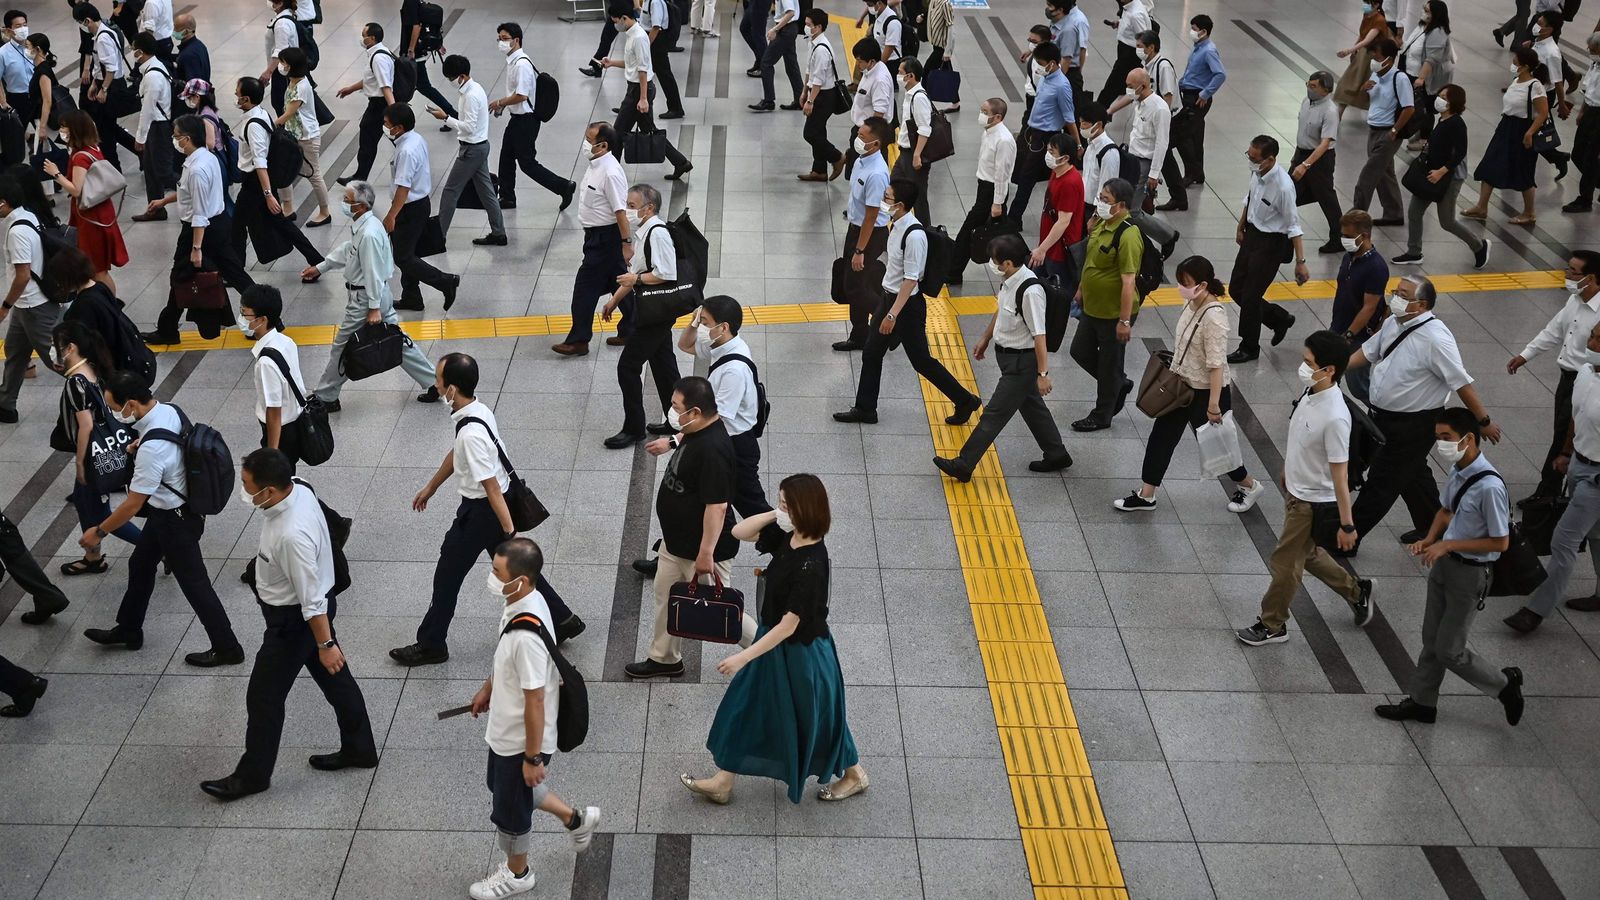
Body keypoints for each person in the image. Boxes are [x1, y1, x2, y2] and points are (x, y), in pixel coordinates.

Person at [199, 449, 378, 802]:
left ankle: (252, 776)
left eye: (249, 485)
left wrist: (325, 645)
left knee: (263, 697)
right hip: (307, 616)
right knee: (337, 681)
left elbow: (310, 599)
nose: (244, 490)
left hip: (294, 623)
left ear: (270, 491)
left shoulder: (291, 535)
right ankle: (360, 748)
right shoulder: (300, 486)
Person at [681, 475, 870, 805]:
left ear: (804, 510)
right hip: (774, 644)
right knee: (745, 706)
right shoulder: (789, 535)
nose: (780, 508)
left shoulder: (812, 563)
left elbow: (789, 625)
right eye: (780, 502)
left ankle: (854, 773)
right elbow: (740, 532)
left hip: (802, 655)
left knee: (816, 719)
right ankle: (724, 780)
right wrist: (774, 515)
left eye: (785, 504)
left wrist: (744, 657)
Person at [390, 354, 584, 668]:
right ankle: (562, 619)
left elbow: (490, 486)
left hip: (482, 512)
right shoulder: (476, 411)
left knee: (447, 576)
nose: (435, 385)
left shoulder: (471, 434)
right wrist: (432, 486)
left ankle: (431, 644)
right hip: (492, 507)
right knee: (518, 569)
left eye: (439, 380)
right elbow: (458, 454)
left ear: (452, 389)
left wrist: (509, 532)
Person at [80, 370, 245, 667]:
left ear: (131, 404)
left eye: (115, 408)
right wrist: (138, 446)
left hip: (175, 521)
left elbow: (131, 505)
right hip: (169, 511)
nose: (115, 414)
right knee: (140, 564)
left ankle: (228, 646)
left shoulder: (152, 450)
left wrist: (99, 532)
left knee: (195, 584)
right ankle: (129, 629)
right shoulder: (168, 410)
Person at [465, 538, 601, 900]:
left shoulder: (526, 635)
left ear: (520, 580)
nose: (491, 577)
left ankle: (517, 873)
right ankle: (575, 818)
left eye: (497, 571)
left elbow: (536, 700)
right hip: (507, 730)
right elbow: (505, 660)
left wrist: (532, 757)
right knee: (506, 788)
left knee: (510, 810)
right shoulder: (527, 601)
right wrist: (488, 687)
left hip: (519, 739)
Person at [1375, 408, 1525, 727]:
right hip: (1445, 565)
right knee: (1431, 638)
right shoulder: (1459, 469)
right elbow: (1445, 510)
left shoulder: (1490, 487)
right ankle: (1422, 702)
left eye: (1447, 438)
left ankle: (1504, 684)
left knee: (1449, 650)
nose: (1441, 444)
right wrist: (1430, 539)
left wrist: (1448, 544)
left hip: (1470, 575)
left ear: (1468, 439)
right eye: (1438, 438)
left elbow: (1500, 542)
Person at [1343, 275, 1503, 552]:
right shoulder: (1394, 322)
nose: (1395, 297)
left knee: (1382, 482)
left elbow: (1461, 382)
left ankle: (1347, 540)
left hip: (1413, 423)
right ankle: (1433, 526)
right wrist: (1335, 368)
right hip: (1382, 417)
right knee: (1413, 474)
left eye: (1404, 295)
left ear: (1422, 305)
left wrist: (1483, 421)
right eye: (1395, 291)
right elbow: (1369, 352)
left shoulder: (1436, 339)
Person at [1237, 331, 1375, 646]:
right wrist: (1289, 469)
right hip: (1297, 492)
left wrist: (1347, 524)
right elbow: (1301, 437)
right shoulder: (1311, 390)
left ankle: (1273, 624)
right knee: (1309, 554)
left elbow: (1340, 477)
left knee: (1285, 563)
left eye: (1308, 362)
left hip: (1311, 503)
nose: (1302, 366)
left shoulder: (1336, 417)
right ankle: (1357, 591)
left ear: (1330, 370)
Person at [1112, 255, 1265, 512]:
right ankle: (1147, 494)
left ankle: (1249, 485)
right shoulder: (1192, 302)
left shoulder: (1214, 317)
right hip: (1182, 387)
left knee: (1216, 448)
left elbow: (1216, 365)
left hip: (1207, 393)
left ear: (1203, 284)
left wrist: (1214, 405)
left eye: (1186, 282)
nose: (1181, 287)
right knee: (1161, 437)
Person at [835, 179, 982, 426]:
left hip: (906, 308)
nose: (883, 201)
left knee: (922, 361)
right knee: (871, 353)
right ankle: (866, 408)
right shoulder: (897, 225)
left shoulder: (914, 236)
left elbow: (911, 280)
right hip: (889, 299)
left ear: (901, 204)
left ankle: (965, 399)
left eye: (887, 197)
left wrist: (892, 315)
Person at [625, 376, 740, 679]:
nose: (671, 411)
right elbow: (687, 437)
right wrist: (672, 441)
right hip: (676, 543)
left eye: (676, 406)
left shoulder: (714, 450)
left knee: (723, 607)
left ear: (696, 412)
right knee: (664, 594)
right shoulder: (696, 430)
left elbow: (717, 507)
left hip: (702, 550)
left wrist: (706, 554)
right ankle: (664, 659)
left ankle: (768, 649)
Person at [933, 234, 1071, 482]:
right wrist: (986, 338)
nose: (992, 265)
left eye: (995, 261)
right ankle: (1057, 453)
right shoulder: (1010, 282)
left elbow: (1040, 336)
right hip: (1009, 359)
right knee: (1032, 407)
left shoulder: (1031, 291)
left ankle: (965, 464)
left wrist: (1043, 375)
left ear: (1008, 263)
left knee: (994, 414)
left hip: (1021, 363)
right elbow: (1002, 311)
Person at [302, 181, 440, 410]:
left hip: (366, 299)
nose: (344, 204)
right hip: (376, 296)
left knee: (342, 344)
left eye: (347, 200)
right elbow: (349, 251)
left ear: (361, 206)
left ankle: (326, 396)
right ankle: (434, 382)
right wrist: (322, 267)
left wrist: (374, 308)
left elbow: (373, 272)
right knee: (397, 341)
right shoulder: (366, 226)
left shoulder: (369, 234)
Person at [662, 296, 771, 515]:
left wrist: (675, 441)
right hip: (724, 439)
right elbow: (685, 345)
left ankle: (783, 542)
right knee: (714, 499)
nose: (701, 327)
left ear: (723, 327)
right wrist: (692, 323)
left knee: (752, 506)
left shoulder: (734, 370)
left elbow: (717, 417)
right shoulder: (722, 344)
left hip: (736, 444)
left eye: (704, 322)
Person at [1507, 252, 1600, 506]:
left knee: (1564, 433)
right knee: (1563, 431)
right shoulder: (1574, 299)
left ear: (1591, 278)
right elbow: (1553, 330)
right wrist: (1525, 355)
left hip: (1590, 382)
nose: (1567, 275)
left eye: (1572, 271)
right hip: (1568, 378)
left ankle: (1548, 491)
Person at [52, 319, 142, 576]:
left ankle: (157, 547)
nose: (52, 349)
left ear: (70, 348)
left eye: (56, 345)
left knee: (103, 516)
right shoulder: (94, 371)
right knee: (83, 502)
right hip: (108, 448)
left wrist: (80, 463)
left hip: (93, 456)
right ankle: (93, 557)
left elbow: (86, 426)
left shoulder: (75, 384)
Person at [600, 183, 683, 448]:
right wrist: (613, 302)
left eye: (632, 206)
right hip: (652, 309)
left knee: (627, 367)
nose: (627, 210)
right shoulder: (644, 231)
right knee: (663, 364)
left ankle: (634, 427)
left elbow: (666, 273)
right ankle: (677, 421)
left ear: (650, 208)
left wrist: (635, 279)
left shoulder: (656, 234)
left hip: (655, 314)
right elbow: (635, 274)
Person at [1227, 135, 1311, 364]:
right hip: (1252, 236)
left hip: (1271, 244)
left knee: (1251, 296)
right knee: (1236, 289)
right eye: (1249, 155)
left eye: (1255, 158)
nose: (1251, 161)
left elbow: (1294, 226)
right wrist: (1241, 224)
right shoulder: (1258, 172)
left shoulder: (1284, 187)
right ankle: (1279, 318)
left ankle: (1249, 346)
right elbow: (1250, 198)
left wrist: (1301, 262)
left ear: (1270, 159)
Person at [1068, 177, 1139, 432]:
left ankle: (1101, 415)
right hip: (1092, 306)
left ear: (1120, 205)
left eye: (1105, 200)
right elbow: (1090, 260)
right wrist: (1081, 288)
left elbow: (1128, 281)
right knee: (1079, 351)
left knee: (1109, 363)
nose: (1100, 203)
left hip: (1112, 313)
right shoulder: (1101, 224)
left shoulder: (1128, 235)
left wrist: (1124, 320)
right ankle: (1118, 383)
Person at [554, 124, 632, 356]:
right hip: (595, 237)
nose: (585, 144)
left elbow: (620, 212)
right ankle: (633, 328)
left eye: (589, 140)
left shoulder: (610, 172)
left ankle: (579, 340)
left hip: (606, 239)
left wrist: (626, 244)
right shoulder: (596, 165)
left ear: (603, 145)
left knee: (584, 289)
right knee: (620, 283)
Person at [231, 76, 324, 269]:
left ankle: (235, 269)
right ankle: (316, 259)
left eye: (237, 93)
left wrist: (268, 194)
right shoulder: (261, 113)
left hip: (255, 183)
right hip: (259, 182)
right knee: (280, 223)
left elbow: (259, 162)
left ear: (246, 99)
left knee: (238, 225)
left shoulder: (254, 125)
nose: (235, 95)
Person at [1395, 85, 1490, 268]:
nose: (1440, 99)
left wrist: (1441, 171)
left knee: (1447, 221)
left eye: (1445, 97)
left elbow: (1460, 153)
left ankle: (1479, 246)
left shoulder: (1457, 124)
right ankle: (1414, 252)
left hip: (1448, 178)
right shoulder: (1443, 119)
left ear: (1454, 102)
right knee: (1414, 212)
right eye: (1439, 95)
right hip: (1431, 175)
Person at [381, 103, 460, 311]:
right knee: (409, 251)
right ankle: (412, 297)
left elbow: (403, 188)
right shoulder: (415, 139)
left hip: (410, 208)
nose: (385, 126)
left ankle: (445, 281)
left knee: (403, 257)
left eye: (387, 124)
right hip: (418, 205)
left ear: (398, 127)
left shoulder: (406, 150)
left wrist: (391, 215)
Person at [490, 23, 576, 212]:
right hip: (517, 119)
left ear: (516, 40)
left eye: (504, 39)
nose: (501, 42)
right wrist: (505, 106)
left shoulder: (521, 64)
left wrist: (500, 102)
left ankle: (563, 186)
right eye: (499, 39)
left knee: (527, 164)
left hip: (526, 121)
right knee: (506, 158)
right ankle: (507, 197)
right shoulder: (514, 61)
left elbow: (522, 96)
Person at [602, 2, 693, 179]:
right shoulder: (631, 34)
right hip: (636, 89)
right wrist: (612, 63)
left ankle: (611, 174)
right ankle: (681, 163)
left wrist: (643, 98)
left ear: (624, 18)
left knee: (618, 132)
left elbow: (643, 69)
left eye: (616, 21)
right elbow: (633, 64)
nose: (615, 25)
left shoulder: (638, 38)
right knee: (648, 130)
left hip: (638, 91)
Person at [41, 110, 127, 294]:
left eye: (65, 126)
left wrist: (55, 174)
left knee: (97, 270)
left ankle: (109, 304)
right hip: (102, 209)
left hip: (91, 217)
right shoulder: (93, 148)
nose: (62, 130)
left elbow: (75, 189)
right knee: (99, 268)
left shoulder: (80, 157)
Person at [1463, 47, 1547, 226]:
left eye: (1515, 62)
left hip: (1523, 130)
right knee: (1489, 164)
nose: (1512, 64)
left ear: (1524, 66)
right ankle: (1481, 206)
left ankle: (1529, 212)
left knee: (1523, 170)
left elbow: (1543, 113)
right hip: (1506, 127)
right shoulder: (1516, 80)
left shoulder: (1535, 86)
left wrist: (1530, 133)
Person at [433, 54, 506, 245]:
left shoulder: (471, 96)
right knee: (486, 192)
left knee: (450, 191)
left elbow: (470, 127)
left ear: (462, 76)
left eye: (451, 78)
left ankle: (438, 236)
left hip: (471, 151)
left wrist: (445, 118)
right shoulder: (474, 88)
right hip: (480, 147)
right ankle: (499, 233)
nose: (450, 81)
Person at [0, 177, 56, 426]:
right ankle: (6, 405)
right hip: (25, 306)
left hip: (34, 306)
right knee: (15, 353)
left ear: (3, 203)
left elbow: (22, 276)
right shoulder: (28, 217)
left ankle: (99, 395)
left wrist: (5, 306)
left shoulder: (18, 231)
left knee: (57, 360)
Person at [836, 116, 893, 351]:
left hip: (870, 235)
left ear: (876, 144)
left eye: (862, 137)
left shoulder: (877, 173)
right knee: (855, 285)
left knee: (855, 287)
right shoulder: (861, 159)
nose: (857, 139)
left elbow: (871, 216)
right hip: (856, 230)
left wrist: (860, 250)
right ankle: (859, 334)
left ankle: (890, 320)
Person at [237, 285, 307, 468]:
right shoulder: (286, 341)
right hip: (295, 423)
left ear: (262, 319)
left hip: (281, 432)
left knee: (280, 480)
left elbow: (274, 410)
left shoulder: (266, 363)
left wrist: (272, 454)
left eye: (245, 314)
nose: (242, 319)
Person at [948, 97, 1014, 285]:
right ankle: (1018, 264)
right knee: (1003, 233)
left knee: (967, 231)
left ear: (998, 116)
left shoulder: (1004, 140)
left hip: (992, 191)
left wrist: (997, 202)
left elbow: (1002, 174)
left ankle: (953, 272)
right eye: (982, 110)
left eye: (986, 112)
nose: (981, 115)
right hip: (984, 188)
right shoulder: (988, 132)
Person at [1009, 40, 1076, 222]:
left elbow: (1069, 117)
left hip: (1046, 136)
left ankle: (1014, 218)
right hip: (1033, 132)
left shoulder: (1062, 86)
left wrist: (1077, 143)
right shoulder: (1046, 78)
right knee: (1024, 174)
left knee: (1027, 178)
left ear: (1052, 63)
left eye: (1040, 62)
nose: (1037, 66)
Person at [52, 247, 144, 379]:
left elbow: (82, 347)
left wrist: (62, 359)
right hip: (128, 359)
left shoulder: (82, 307)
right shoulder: (100, 287)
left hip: (111, 370)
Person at [1350, 37, 1412, 226]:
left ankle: (1356, 218)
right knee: (1385, 174)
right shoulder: (1375, 75)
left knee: (1367, 177)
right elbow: (1368, 100)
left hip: (1388, 134)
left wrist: (1394, 130)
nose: (1373, 59)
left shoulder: (1399, 78)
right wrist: (1363, 89)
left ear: (1389, 59)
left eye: (1376, 55)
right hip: (1373, 130)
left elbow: (1409, 108)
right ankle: (1394, 213)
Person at [1162, 15, 1225, 198]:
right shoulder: (1199, 47)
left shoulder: (1209, 50)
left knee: (1183, 135)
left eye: (1195, 28)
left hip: (1197, 98)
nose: (1192, 31)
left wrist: (1205, 93)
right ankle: (1198, 173)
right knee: (1196, 135)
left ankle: (1191, 172)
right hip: (1188, 94)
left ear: (1204, 31)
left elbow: (1220, 74)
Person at [1119, 66, 1178, 259]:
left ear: (1143, 86)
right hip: (1132, 159)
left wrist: (1154, 173)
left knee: (1134, 211)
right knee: (1127, 206)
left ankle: (1167, 236)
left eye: (1130, 86)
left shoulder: (1159, 109)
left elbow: (1162, 143)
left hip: (1145, 164)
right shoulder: (1140, 102)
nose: (1127, 89)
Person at [1329, 210, 1387, 403]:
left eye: (1348, 236)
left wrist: (1348, 335)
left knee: (1358, 386)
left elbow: (1369, 307)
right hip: (1338, 327)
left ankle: (1381, 412)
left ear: (1365, 236)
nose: (1344, 240)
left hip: (1357, 336)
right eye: (1342, 235)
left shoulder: (1376, 267)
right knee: (1328, 376)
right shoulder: (1349, 257)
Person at [72, 3, 136, 170]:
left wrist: (104, 89)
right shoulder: (100, 34)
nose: (81, 27)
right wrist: (94, 82)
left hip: (111, 86)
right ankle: (138, 151)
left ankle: (115, 170)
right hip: (104, 82)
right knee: (108, 128)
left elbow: (111, 68)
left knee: (106, 134)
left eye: (80, 22)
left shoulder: (103, 38)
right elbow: (99, 64)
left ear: (87, 20)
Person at [334, 23, 397, 185]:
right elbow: (372, 80)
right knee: (386, 139)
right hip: (379, 104)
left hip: (380, 106)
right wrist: (351, 89)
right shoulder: (380, 52)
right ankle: (360, 176)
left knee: (369, 141)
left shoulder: (378, 58)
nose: (362, 39)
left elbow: (385, 86)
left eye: (364, 36)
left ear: (372, 38)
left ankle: (360, 178)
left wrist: (394, 111)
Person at [273, 47, 329, 227]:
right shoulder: (293, 81)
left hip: (307, 137)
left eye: (282, 63)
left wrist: (271, 124)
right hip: (293, 135)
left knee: (314, 174)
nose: (280, 65)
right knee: (283, 170)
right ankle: (288, 208)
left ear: (291, 65)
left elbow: (289, 112)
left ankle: (325, 212)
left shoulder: (301, 86)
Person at [1289, 71, 1344, 252]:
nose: (1309, 89)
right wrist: (1297, 158)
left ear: (1325, 90)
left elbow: (1325, 143)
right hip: (1301, 153)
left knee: (1326, 198)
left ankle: (1338, 238)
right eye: (1308, 84)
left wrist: (1305, 165)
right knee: (1288, 194)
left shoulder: (1330, 111)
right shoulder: (1306, 102)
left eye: (1313, 86)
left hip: (1320, 159)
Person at [125, 32, 175, 214]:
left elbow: (148, 109)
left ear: (141, 51)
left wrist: (140, 137)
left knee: (164, 171)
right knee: (151, 170)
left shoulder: (152, 76)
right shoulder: (152, 68)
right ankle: (155, 210)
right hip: (156, 125)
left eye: (133, 49)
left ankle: (192, 192)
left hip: (158, 127)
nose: (132, 52)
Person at [797, 9, 844, 182]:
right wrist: (804, 92)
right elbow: (809, 70)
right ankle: (819, 170)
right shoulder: (813, 42)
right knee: (819, 131)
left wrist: (810, 100)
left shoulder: (822, 49)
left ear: (818, 27)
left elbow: (819, 79)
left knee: (810, 133)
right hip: (815, 92)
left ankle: (837, 157)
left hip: (824, 96)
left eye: (809, 25)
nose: (806, 27)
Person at [1032, 130, 1083, 288]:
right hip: (1049, 244)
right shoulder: (1057, 172)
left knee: (1057, 291)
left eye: (1051, 152)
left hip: (1059, 249)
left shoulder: (1070, 183)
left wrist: (1042, 249)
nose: (1048, 155)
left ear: (1065, 158)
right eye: (1048, 150)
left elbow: (1063, 222)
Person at [1400, 0, 1452, 146]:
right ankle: (1419, 130)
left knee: (1426, 108)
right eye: (1424, 9)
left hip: (1425, 78)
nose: (1424, 12)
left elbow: (1431, 59)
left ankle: (1424, 139)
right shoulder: (1423, 26)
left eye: (1427, 10)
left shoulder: (1437, 32)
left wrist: (1421, 78)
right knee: (1418, 106)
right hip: (1412, 71)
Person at [890, 58, 935, 222]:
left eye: (900, 73)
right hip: (904, 154)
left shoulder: (919, 97)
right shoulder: (910, 95)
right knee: (894, 187)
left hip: (913, 155)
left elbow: (925, 128)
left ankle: (926, 233)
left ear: (910, 76)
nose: (898, 76)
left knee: (918, 198)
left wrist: (917, 155)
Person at [401, 0, 458, 126]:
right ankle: (452, 115)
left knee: (422, 87)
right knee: (412, 87)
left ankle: (453, 115)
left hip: (413, 54)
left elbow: (417, 26)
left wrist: (410, 49)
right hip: (418, 52)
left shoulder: (410, 2)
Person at [843, 36, 892, 179]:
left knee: (868, 175)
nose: (857, 64)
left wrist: (867, 138)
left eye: (859, 61)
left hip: (871, 135)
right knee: (855, 173)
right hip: (862, 130)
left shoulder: (879, 79)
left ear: (871, 61)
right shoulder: (870, 70)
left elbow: (879, 113)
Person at [1333, 0, 1392, 115]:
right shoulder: (1367, 15)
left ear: (1376, 5)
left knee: (1365, 85)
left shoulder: (1379, 20)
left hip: (1372, 57)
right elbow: (1362, 35)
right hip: (1363, 54)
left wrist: (1350, 50)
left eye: (1368, 3)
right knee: (1350, 82)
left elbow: (1368, 40)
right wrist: (1355, 49)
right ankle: (1339, 112)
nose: (1365, 5)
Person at [1565, 31, 1600, 213]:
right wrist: (1582, 111)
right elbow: (1587, 89)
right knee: (1578, 153)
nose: (1589, 51)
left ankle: (1585, 199)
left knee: (1591, 157)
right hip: (1590, 112)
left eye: (1593, 49)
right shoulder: (1595, 64)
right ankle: (1596, 181)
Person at [1097, 0, 1150, 107]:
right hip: (1124, 51)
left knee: (1112, 85)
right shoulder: (1129, 6)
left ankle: (1098, 113)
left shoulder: (1135, 14)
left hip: (1129, 55)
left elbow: (1144, 38)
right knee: (1121, 84)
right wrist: (1121, 23)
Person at [639, 0, 685, 119]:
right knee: (638, 72)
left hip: (656, 41)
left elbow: (656, 27)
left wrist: (646, 45)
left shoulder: (655, 2)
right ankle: (631, 105)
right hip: (650, 38)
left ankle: (676, 108)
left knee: (664, 75)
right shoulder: (647, 1)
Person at [751, 0, 800, 111]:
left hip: (785, 29)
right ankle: (799, 99)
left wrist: (775, 29)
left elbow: (790, 12)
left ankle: (768, 101)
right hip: (789, 28)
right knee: (791, 65)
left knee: (766, 63)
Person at [1078, 100, 1117, 225]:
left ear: (1098, 124)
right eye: (1080, 123)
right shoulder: (1090, 146)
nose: (1082, 127)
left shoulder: (1109, 152)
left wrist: (1095, 216)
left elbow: (1107, 189)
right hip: (1084, 205)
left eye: (1085, 123)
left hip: (1095, 210)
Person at [261, 0, 297, 114]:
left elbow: (281, 51)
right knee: (280, 102)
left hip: (283, 71)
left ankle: (284, 129)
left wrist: (268, 71)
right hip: (284, 68)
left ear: (280, 3)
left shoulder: (281, 24)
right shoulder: (285, 17)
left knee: (280, 102)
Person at [24, 33, 61, 141]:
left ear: (37, 49)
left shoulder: (43, 72)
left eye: (27, 47)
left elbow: (47, 101)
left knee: (45, 153)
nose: (25, 50)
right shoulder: (41, 68)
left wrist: (42, 127)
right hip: (42, 119)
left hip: (47, 122)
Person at [923, 0, 957, 111]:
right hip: (936, 45)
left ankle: (924, 100)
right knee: (948, 73)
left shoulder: (945, 4)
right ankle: (956, 102)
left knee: (926, 71)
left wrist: (948, 51)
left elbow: (950, 28)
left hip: (941, 48)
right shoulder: (933, 1)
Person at [0, 10, 34, 121]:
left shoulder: (34, 46)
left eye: (25, 25)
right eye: (18, 26)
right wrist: (3, 102)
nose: (23, 29)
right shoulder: (3, 53)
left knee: (46, 132)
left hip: (37, 95)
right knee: (17, 133)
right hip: (17, 98)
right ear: (9, 30)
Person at [173, 12, 208, 84]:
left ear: (185, 31)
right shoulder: (200, 45)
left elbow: (193, 86)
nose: (174, 31)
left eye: (176, 28)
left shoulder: (188, 55)